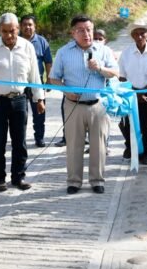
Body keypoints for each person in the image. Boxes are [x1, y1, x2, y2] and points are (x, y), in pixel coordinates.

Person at [49, 15, 118, 194]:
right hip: (73, 105)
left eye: (89, 29)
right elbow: (53, 78)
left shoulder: (103, 50)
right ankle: (74, 181)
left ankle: (97, 180)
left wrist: (100, 68)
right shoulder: (64, 52)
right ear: (73, 33)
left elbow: (115, 73)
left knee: (99, 145)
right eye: (81, 30)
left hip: (98, 105)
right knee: (74, 145)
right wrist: (66, 91)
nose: (86, 33)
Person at [0, 13, 45, 192]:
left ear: (18, 29)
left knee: (20, 141)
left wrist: (39, 98)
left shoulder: (27, 47)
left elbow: (34, 76)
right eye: (5, 31)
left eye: (12, 31)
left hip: (19, 100)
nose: (9, 35)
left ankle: (19, 177)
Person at [118, 23, 147, 165]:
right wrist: (134, 93)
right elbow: (121, 76)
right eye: (136, 33)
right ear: (132, 36)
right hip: (130, 91)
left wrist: (144, 92)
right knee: (127, 123)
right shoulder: (126, 53)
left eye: (142, 33)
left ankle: (144, 153)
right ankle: (131, 148)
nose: (139, 36)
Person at [20, 14, 53, 148]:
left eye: (30, 24)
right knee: (20, 114)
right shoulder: (16, 41)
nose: (27, 27)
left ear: (35, 26)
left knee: (39, 111)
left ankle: (39, 138)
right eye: (25, 25)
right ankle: (20, 139)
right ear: (20, 27)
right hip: (20, 84)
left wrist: (49, 79)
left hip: (37, 82)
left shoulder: (42, 41)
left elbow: (48, 61)